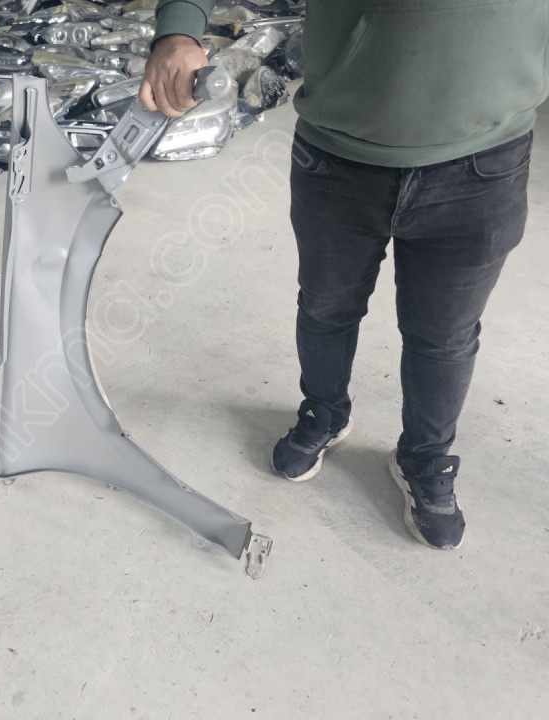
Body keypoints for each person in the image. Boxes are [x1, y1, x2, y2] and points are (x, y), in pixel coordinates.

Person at [141, 0, 548, 549]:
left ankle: (425, 456)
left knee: (444, 336)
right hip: (338, 158)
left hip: (482, 164)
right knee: (326, 307)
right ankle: (325, 412)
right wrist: (177, 31)